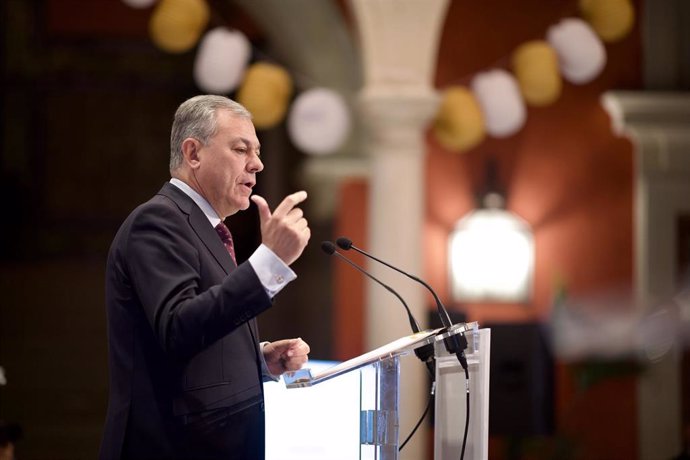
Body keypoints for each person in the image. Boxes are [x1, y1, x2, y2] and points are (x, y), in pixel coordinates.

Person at [100, 95, 311, 460]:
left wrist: (258, 359)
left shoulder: (205, 229)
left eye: (257, 152)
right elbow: (178, 328)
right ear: (193, 153)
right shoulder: (158, 221)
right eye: (241, 149)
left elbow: (203, 330)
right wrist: (270, 262)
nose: (257, 164)